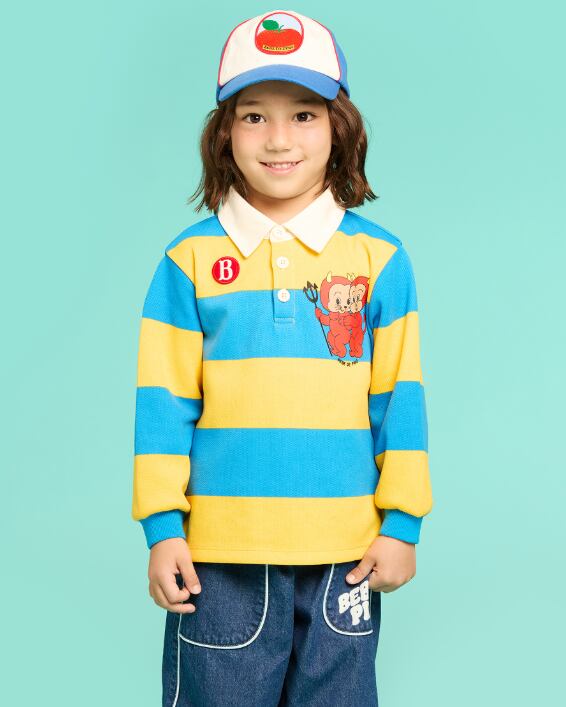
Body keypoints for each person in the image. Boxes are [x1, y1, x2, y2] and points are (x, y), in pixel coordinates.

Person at [131, 9, 433, 706]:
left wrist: (403, 524)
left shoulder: (380, 259)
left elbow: (400, 398)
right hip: (218, 562)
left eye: (303, 115)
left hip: (345, 557)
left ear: (339, 128)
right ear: (223, 133)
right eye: (253, 117)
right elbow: (163, 405)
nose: (278, 139)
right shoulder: (188, 261)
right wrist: (162, 529)